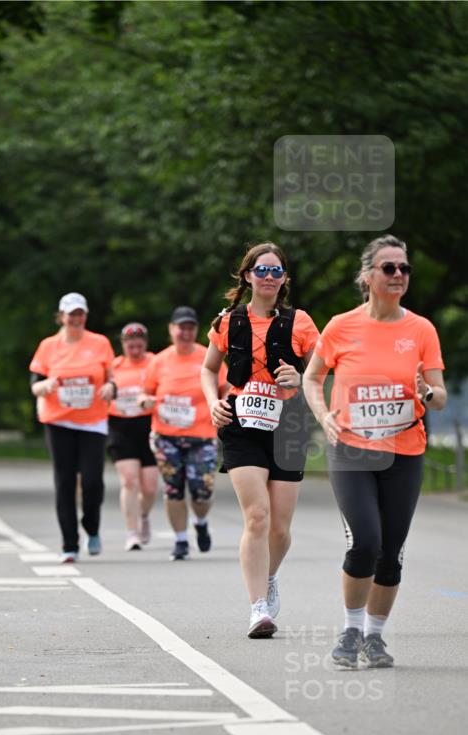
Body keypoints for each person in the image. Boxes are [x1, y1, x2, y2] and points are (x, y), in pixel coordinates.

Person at [303, 235, 446, 668]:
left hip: (405, 451)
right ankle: (350, 629)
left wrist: (427, 393)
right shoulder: (341, 326)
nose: (399, 275)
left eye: (404, 268)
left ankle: (375, 637)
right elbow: (312, 378)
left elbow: (438, 393)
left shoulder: (420, 329)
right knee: (366, 541)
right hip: (352, 450)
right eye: (389, 268)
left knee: (392, 551)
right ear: (368, 276)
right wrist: (324, 416)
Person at [202, 242, 320, 637]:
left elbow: (324, 373)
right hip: (240, 423)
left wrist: (300, 379)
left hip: (288, 425)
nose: (268, 277)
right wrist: (212, 402)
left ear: (284, 279)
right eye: (261, 270)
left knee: (280, 530)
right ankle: (258, 610)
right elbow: (208, 369)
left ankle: (269, 577)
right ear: (247, 275)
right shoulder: (226, 322)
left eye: (276, 271)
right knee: (257, 516)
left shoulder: (301, 323)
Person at [29, 292, 116, 562]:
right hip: (58, 420)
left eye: (80, 313)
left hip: (93, 421)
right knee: (64, 481)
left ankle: (91, 527)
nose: (76, 318)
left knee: (92, 481)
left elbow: (113, 379)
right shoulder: (48, 346)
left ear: (85, 316)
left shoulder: (100, 343)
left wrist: (109, 388)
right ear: (62, 316)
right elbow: (35, 384)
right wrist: (45, 386)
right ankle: (69, 544)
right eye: (71, 313)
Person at [142, 306, 227, 561]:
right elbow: (146, 392)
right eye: (181, 327)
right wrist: (144, 401)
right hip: (165, 435)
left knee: (202, 489)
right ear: (171, 330)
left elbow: (225, 388)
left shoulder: (207, 357)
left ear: (196, 331)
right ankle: (180, 540)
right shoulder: (159, 361)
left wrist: (225, 404)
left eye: (190, 328)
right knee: (173, 489)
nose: (185, 332)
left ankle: (200, 521)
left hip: (201, 435)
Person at [107, 322, 158, 551]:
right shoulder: (114, 366)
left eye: (139, 346)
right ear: (123, 345)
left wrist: (151, 399)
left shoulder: (155, 363)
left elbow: (167, 389)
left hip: (149, 424)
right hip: (120, 426)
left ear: (145, 344)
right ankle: (132, 532)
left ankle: (143, 515)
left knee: (149, 487)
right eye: (130, 346)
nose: (135, 351)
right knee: (129, 480)